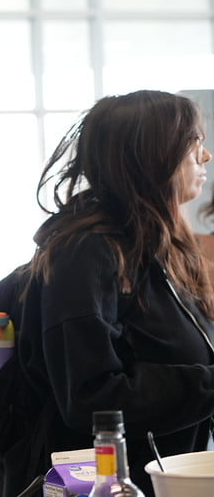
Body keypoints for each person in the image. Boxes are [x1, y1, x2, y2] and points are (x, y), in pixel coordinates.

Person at [12, 90, 214, 497]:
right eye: (194, 144)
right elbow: (89, 398)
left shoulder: (154, 250)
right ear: (154, 155)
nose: (205, 157)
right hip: (109, 487)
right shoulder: (86, 252)